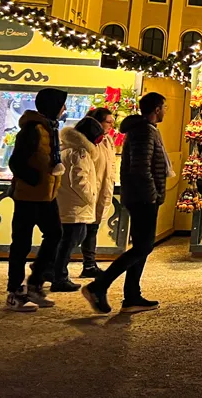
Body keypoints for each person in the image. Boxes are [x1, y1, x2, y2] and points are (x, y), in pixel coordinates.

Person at [82, 92, 169, 315]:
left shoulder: (144, 129)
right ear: (157, 109)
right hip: (143, 198)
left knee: (142, 246)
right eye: (164, 107)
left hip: (141, 196)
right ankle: (99, 286)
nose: (165, 111)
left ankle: (132, 295)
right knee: (143, 247)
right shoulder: (144, 131)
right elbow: (141, 167)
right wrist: (152, 195)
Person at [5, 88, 68, 312]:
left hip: (46, 194)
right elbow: (16, 162)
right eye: (62, 104)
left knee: (55, 234)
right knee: (21, 244)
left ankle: (34, 284)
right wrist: (36, 178)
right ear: (53, 106)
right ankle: (15, 292)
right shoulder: (33, 130)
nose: (64, 109)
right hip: (28, 195)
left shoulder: (50, 128)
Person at [49, 117, 106, 293]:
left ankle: (50, 271)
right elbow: (79, 180)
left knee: (67, 240)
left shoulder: (66, 149)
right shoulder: (80, 153)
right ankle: (59, 277)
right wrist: (91, 197)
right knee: (71, 240)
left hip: (66, 203)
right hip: (76, 206)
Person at [79, 108, 117, 278]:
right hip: (87, 193)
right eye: (108, 122)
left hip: (101, 190)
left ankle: (89, 264)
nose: (111, 125)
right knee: (75, 233)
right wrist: (88, 192)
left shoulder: (108, 140)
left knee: (92, 229)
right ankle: (53, 268)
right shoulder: (87, 142)